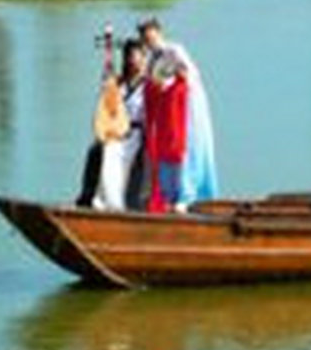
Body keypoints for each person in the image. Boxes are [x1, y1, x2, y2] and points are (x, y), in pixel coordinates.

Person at [136, 17, 219, 204]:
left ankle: (188, 194)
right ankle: (169, 195)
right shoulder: (150, 59)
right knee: (166, 150)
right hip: (165, 109)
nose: (148, 37)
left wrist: (167, 79)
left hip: (185, 106)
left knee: (187, 147)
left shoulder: (174, 50)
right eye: (144, 34)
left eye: (150, 32)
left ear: (158, 31)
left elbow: (188, 75)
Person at [79, 39, 148, 210]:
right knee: (97, 149)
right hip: (118, 131)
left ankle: (115, 203)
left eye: (136, 56)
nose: (133, 61)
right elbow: (108, 109)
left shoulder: (149, 85)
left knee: (112, 151)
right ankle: (91, 197)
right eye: (129, 56)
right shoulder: (119, 83)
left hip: (137, 133)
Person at [143, 51, 190, 213]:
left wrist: (181, 73)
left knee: (177, 180)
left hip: (177, 142)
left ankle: (179, 203)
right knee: (165, 182)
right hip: (163, 142)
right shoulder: (159, 91)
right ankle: (168, 205)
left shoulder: (180, 88)